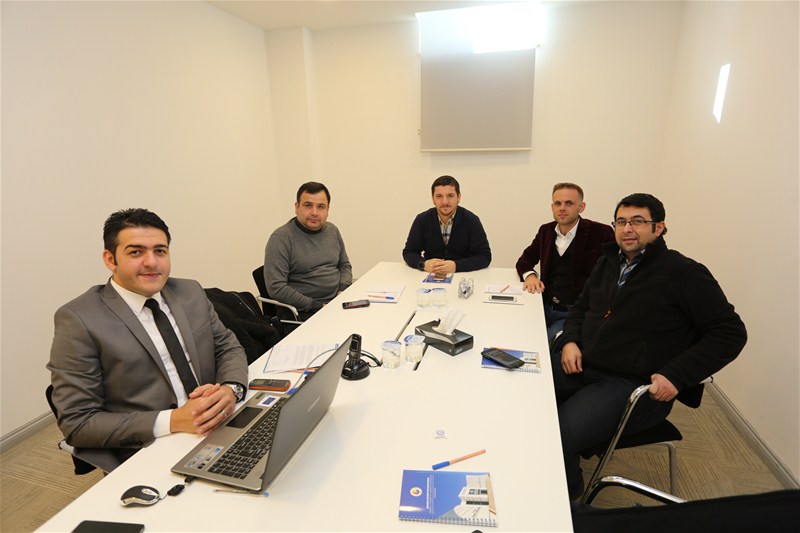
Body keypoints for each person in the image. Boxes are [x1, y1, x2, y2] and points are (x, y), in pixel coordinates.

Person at [553, 193, 747, 499]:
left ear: (659, 227)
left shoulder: (683, 272)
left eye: (638, 221)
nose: (627, 229)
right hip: (584, 364)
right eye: (621, 222)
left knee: (557, 434)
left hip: (630, 385)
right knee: (523, 391)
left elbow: (730, 332)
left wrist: (677, 376)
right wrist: (570, 341)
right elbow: (581, 308)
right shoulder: (608, 262)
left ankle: (568, 497)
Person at [47, 208, 248, 469]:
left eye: (160, 251)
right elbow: (78, 423)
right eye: (136, 252)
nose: (151, 262)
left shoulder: (190, 291)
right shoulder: (79, 320)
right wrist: (174, 420)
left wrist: (230, 389)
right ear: (110, 259)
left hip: (218, 424)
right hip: (150, 447)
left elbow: (228, 347)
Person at [515, 183, 614, 343]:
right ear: (552, 207)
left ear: (581, 207)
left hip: (574, 314)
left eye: (569, 203)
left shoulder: (601, 233)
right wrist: (530, 276)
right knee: (516, 334)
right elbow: (524, 260)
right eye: (557, 203)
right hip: (543, 307)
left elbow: (612, 274)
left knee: (543, 344)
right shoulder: (546, 231)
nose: (562, 208)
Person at [264, 181, 352, 321]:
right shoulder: (281, 239)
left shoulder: (332, 230)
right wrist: (318, 306)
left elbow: (344, 265)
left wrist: (342, 290)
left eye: (321, 207)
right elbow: (277, 287)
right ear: (297, 207)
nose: (314, 213)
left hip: (337, 303)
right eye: (308, 205)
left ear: (328, 210)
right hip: (303, 312)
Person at [402, 175, 491, 274]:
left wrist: (456, 266)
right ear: (433, 199)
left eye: (450, 196)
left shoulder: (471, 220)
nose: (445, 202)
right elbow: (409, 252)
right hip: (429, 276)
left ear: (458, 197)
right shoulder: (422, 220)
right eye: (439, 196)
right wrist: (423, 264)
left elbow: (485, 256)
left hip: (463, 276)